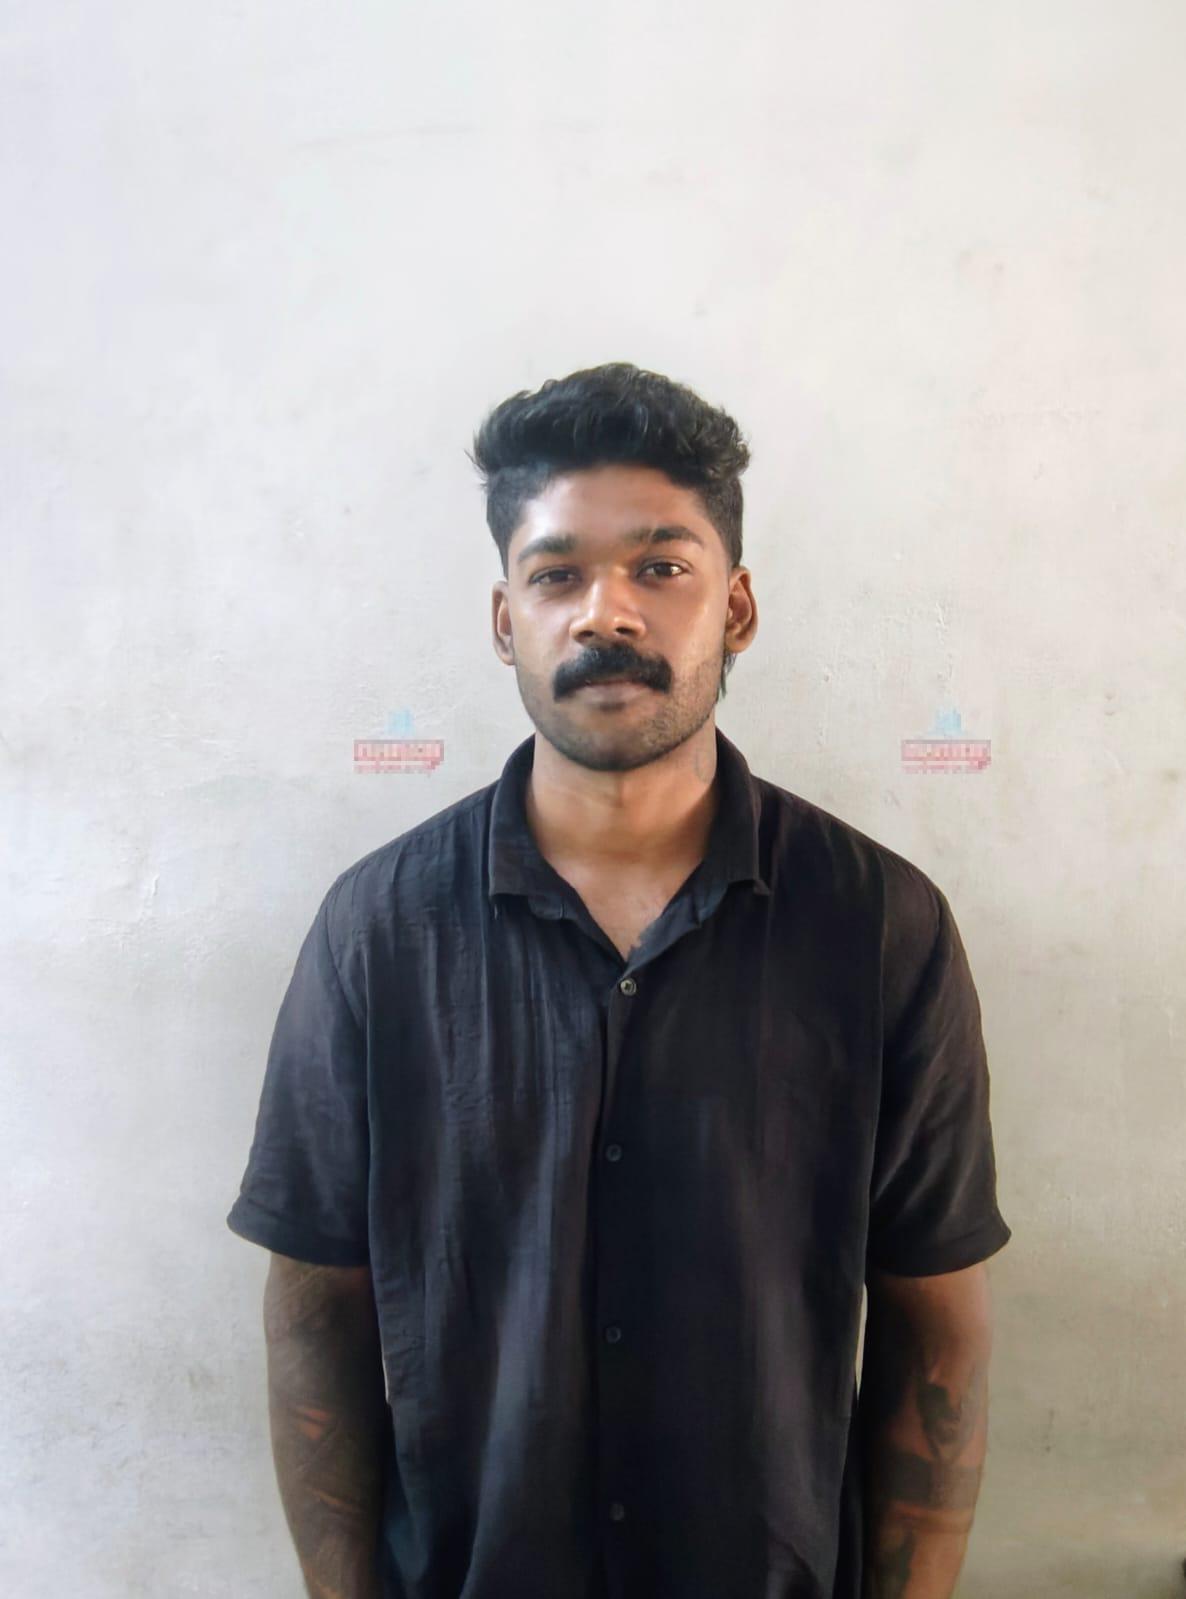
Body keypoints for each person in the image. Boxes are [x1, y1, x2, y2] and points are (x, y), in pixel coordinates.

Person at [227, 361, 1011, 1599]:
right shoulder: (378, 931)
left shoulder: (879, 928)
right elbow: (316, 1307)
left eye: (660, 567)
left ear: (736, 608)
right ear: (504, 621)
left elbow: (935, 1324)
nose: (609, 614)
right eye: (557, 575)